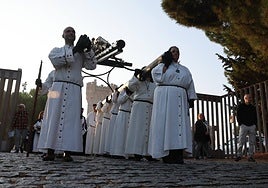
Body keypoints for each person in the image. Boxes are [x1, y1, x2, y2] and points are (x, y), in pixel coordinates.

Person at [38, 26, 97, 162]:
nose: (71, 33)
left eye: (73, 32)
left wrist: (88, 49)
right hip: (58, 87)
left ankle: (67, 152)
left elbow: (92, 65)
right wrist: (76, 48)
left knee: (71, 120)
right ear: (63, 35)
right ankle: (50, 151)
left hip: (74, 89)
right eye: (68, 31)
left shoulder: (82, 54)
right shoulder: (56, 51)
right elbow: (57, 62)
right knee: (54, 118)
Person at [148, 46, 197, 164]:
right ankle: (166, 154)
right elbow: (156, 76)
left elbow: (190, 84)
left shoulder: (185, 69)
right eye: (173, 51)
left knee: (179, 125)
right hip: (166, 98)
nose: (176, 53)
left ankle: (178, 153)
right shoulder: (162, 66)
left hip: (181, 98)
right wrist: (166, 62)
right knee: (167, 124)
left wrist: (191, 98)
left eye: (177, 51)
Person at [125, 68, 156, 161]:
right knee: (138, 130)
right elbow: (130, 87)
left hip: (150, 106)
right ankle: (137, 152)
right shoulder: (138, 82)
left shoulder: (154, 84)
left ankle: (148, 153)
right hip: (139, 107)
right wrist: (135, 76)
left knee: (149, 131)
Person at [110, 87, 133, 158]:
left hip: (130, 114)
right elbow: (119, 101)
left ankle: (127, 153)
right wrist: (127, 94)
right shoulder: (123, 91)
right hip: (122, 114)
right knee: (120, 134)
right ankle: (118, 152)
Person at [235, 94, 257, 162]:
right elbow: (238, 115)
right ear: (245, 98)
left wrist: (255, 124)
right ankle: (239, 155)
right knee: (241, 141)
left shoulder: (253, 107)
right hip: (243, 125)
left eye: (250, 97)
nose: (250, 99)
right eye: (249, 97)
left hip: (252, 126)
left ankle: (250, 156)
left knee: (252, 142)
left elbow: (255, 116)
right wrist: (240, 124)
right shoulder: (241, 106)